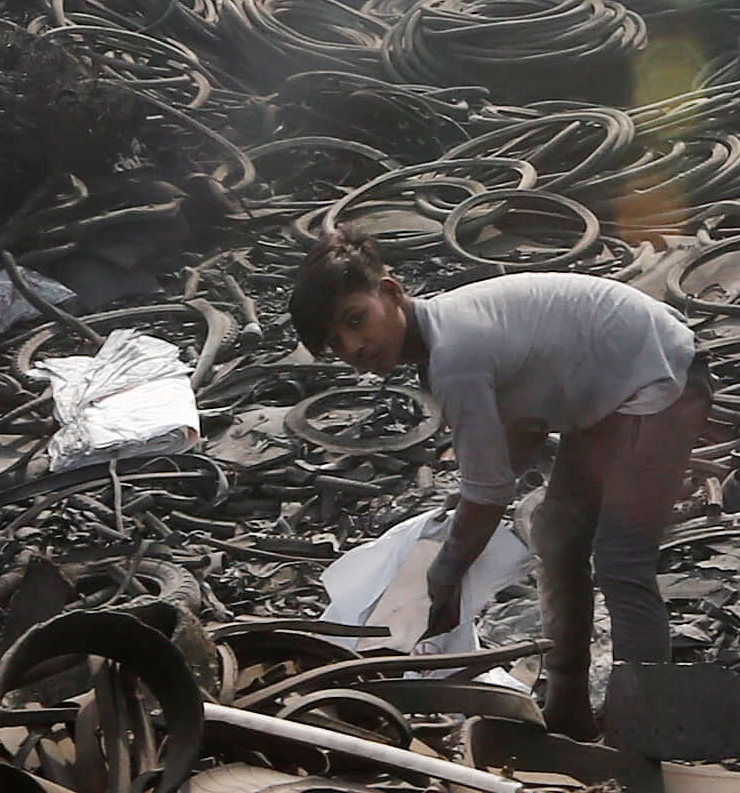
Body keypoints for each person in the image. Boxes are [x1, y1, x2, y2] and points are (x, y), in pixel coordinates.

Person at [289, 238, 708, 739]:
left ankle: (645, 732)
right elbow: (522, 433)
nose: (353, 347)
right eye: (334, 344)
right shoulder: (444, 337)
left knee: (621, 560)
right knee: (557, 534)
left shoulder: (453, 356)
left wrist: (446, 571)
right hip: (609, 396)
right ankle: (568, 711)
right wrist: (465, 502)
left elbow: (491, 494)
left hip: (660, 380)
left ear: (391, 292)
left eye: (356, 321)